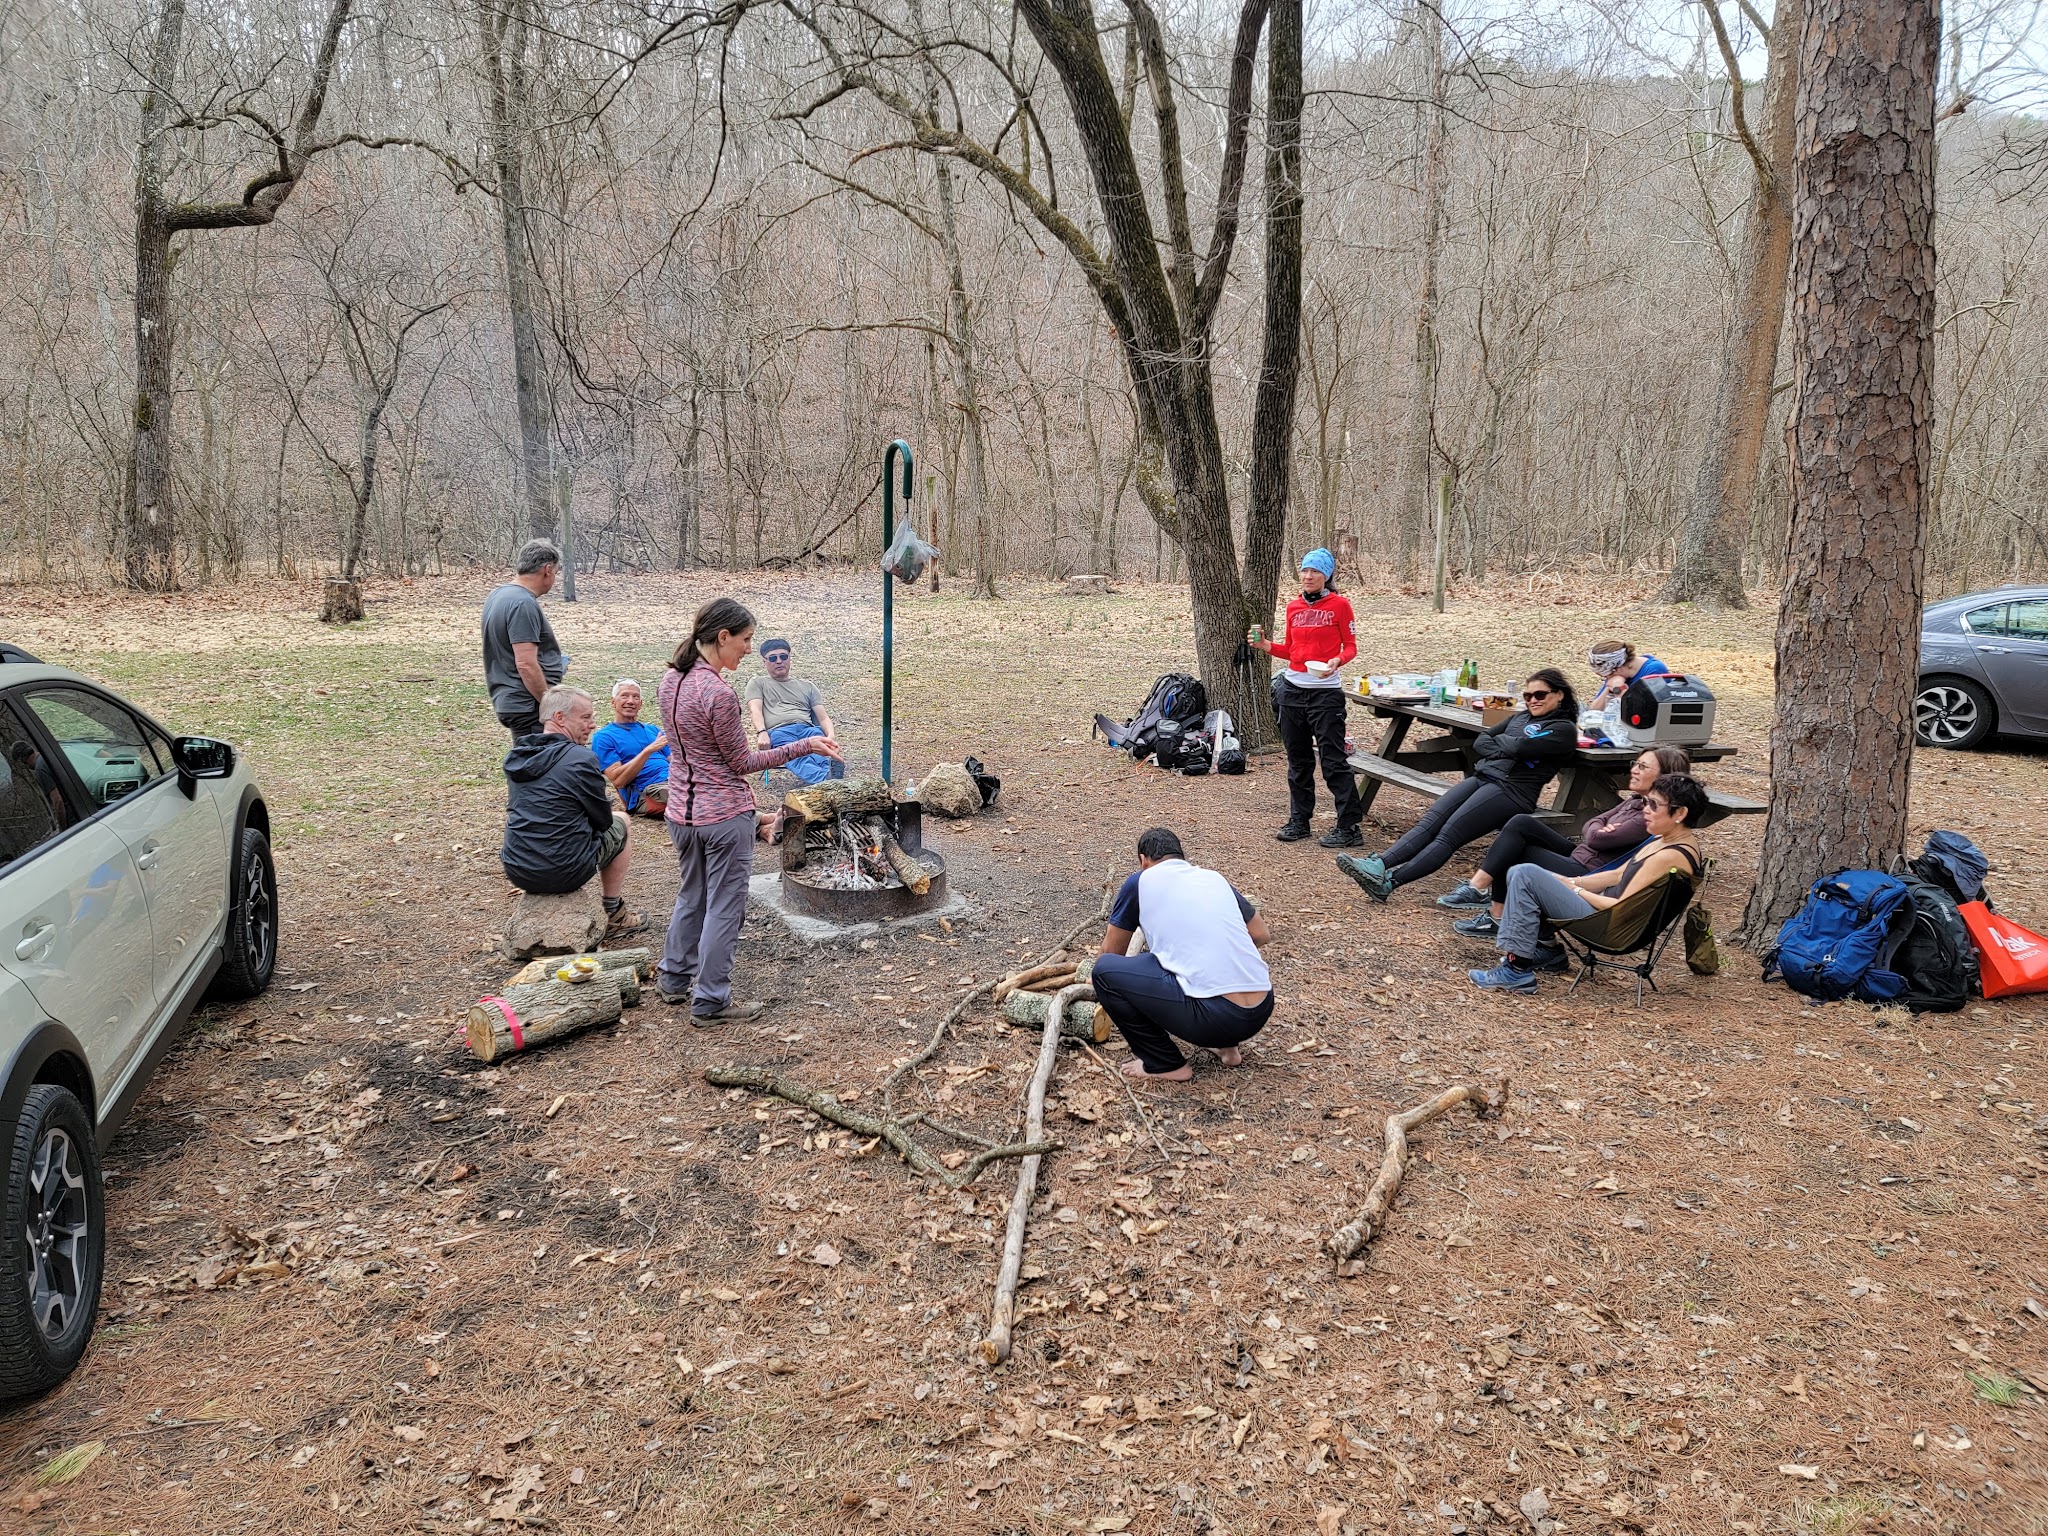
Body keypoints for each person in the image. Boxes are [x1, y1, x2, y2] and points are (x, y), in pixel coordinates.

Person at [656, 598, 844, 1024]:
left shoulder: (671, 680)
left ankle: (672, 979)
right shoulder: (718, 692)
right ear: (722, 637)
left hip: (682, 814)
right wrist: (805, 745)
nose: (747, 649)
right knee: (724, 906)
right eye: (745, 641)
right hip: (721, 817)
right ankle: (710, 1000)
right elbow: (742, 762)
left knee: (692, 894)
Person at [1335, 667, 1580, 902]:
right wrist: (1511, 747)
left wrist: (1510, 745)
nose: (1533, 700)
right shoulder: (1520, 717)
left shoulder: (1563, 729)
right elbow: (1482, 741)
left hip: (1512, 790)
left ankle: (1390, 883)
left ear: (1559, 695)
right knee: (1430, 823)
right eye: (1527, 695)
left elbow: (1519, 747)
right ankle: (1379, 864)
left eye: (1540, 695)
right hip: (1483, 777)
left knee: (1448, 836)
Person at [1469, 773, 1708, 993]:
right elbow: (1616, 876)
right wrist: (1571, 880)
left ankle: (1517, 970)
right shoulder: (1664, 840)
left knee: (1524, 874)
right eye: (1647, 802)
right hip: (1605, 913)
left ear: (1680, 813)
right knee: (1526, 873)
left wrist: (1574, 889)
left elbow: (1617, 905)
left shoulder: (1669, 856)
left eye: (1654, 805)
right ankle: (1543, 950)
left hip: (1610, 927)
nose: (1645, 809)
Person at [1437, 745, 1692, 937]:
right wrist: (1600, 827)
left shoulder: (1649, 817)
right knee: (1520, 823)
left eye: (1643, 767)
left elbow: (1598, 837)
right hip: (1583, 854)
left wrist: (1600, 829)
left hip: (1591, 869)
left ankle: (1496, 915)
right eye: (1635, 763)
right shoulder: (1635, 801)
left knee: (1517, 851)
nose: (1634, 769)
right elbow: (1592, 826)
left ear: (1663, 777)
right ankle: (1481, 889)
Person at [1093, 827, 1275, 1082]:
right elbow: (1260, 934)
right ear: (1181, 857)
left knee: (1104, 973)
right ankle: (1227, 1047)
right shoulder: (1213, 878)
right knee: (1175, 962)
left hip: (1214, 1017)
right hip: (1261, 1007)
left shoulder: (1140, 881)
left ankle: (1163, 1062)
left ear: (1143, 860)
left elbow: (1111, 954)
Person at [500, 685, 643, 938]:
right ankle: (614, 912)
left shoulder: (519, 755)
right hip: (566, 870)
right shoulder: (580, 758)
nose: (592, 725)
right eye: (586, 717)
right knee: (622, 821)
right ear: (559, 718)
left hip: (517, 867)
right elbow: (603, 820)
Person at [1247, 549, 1362, 848]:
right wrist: (1265, 646)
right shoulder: (1293, 607)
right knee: (1298, 760)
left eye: (1315, 572)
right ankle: (1300, 821)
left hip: (1326, 693)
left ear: (1326, 576)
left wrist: (1337, 661)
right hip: (1292, 690)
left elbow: (1350, 647)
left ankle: (1349, 827)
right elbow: (1292, 651)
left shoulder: (1340, 606)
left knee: (1334, 760)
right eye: (1305, 571)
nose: (1308, 576)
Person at [482, 539, 568, 737]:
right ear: (547, 570)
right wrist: (548, 705)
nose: (554, 579)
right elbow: (525, 664)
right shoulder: (522, 603)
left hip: (513, 700)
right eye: (555, 573)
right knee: (537, 764)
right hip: (528, 705)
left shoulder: (498, 595)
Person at [743, 638, 843, 784]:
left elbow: (823, 718)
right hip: (779, 732)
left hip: (808, 730)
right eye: (773, 658)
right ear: (764, 662)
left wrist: (831, 736)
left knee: (820, 750)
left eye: (783, 656)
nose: (779, 661)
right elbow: (755, 710)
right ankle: (826, 780)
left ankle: (829, 776)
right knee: (794, 755)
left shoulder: (807, 686)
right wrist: (762, 733)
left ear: (789, 659)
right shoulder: (758, 683)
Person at [592, 680, 670, 817]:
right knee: (686, 796)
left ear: (641, 704)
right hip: (648, 791)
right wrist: (648, 751)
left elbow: (677, 761)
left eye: (635, 697)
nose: (630, 701)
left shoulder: (652, 730)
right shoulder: (604, 737)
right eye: (624, 696)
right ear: (613, 702)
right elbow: (619, 780)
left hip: (674, 781)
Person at [1587, 640, 1670, 709]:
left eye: (1605, 675)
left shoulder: (1654, 670)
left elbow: (1637, 710)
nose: (1607, 678)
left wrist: (1619, 688)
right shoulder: (1617, 675)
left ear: (1618, 669)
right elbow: (1594, 711)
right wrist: (1609, 688)